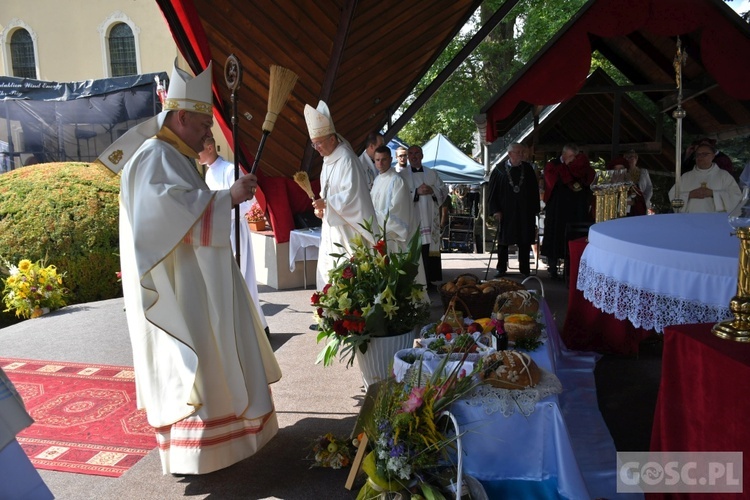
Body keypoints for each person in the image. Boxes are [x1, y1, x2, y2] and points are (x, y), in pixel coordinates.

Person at [96, 61, 281, 475]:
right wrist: (226, 198)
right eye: (202, 125)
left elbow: (181, 210)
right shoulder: (155, 156)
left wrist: (224, 197)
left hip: (193, 278)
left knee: (210, 358)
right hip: (179, 287)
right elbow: (163, 218)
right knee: (194, 362)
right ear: (181, 117)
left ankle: (221, 444)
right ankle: (199, 451)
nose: (207, 134)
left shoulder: (172, 154)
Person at [199, 137, 269, 337]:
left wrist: (221, 209)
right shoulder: (210, 172)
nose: (197, 154)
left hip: (233, 229)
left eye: (200, 150)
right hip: (219, 230)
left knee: (240, 278)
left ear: (210, 146)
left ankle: (253, 327)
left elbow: (248, 201)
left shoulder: (231, 170)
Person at [306, 100, 377, 291]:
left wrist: (327, 204)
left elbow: (352, 196)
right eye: (314, 145)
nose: (317, 148)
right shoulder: (327, 161)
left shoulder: (347, 159)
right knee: (331, 270)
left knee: (349, 275)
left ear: (331, 139)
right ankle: (332, 315)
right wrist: (321, 209)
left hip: (349, 230)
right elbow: (325, 193)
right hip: (332, 228)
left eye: (319, 143)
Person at [370, 145, 428, 286]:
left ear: (390, 159)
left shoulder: (397, 181)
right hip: (380, 234)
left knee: (397, 279)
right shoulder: (378, 180)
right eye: (377, 160)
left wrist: (373, 220)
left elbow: (398, 212)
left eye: (384, 159)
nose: (380, 163)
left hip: (394, 237)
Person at [540, 143, 595, 280]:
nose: (573, 159)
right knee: (554, 235)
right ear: (564, 155)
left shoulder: (580, 167)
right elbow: (551, 181)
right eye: (571, 156)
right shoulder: (552, 165)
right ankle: (552, 269)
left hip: (575, 208)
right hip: (557, 208)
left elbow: (587, 181)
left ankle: (569, 270)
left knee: (573, 236)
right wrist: (566, 172)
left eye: (575, 157)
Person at [488, 142, 540, 278]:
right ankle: (501, 268)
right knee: (504, 240)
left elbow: (534, 191)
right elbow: (492, 192)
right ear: (510, 154)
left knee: (525, 239)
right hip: (506, 211)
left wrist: (535, 209)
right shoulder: (499, 170)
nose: (522, 155)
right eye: (518, 152)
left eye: (522, 152)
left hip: (525, 211)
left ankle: (525, 268)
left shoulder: (528, 169)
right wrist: (495, 210)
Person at [403, 145, 448, 287]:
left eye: (417, 153)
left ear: (422, 156)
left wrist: (432, 190)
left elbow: (444, 189)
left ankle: (429, 280)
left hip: (430, 217)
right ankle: (416, 281)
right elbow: (400, 195)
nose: (414, 156)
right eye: (411, 153)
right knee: (417, 249)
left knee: (428, 250)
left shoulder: (432, 173)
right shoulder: (401, 175)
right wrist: (416, 192)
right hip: (414, 218)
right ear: (408, 157)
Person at [669, 142, 742, 213]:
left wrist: (713, 194)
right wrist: (689, 195)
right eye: (698, 154)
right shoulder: (686, 177)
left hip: (716, 220)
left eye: (704, 154)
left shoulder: (724, 176)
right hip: (690, 220)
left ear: (713, 156)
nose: (700, 157)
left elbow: (736, 197)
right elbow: (673, 199)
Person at [611, 150, 653, 216]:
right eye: (626, 157)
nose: (628, 159)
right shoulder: (622, 173)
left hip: (640, 206)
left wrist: (641, 202)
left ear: (636, 158)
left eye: (631, 157)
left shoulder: (643, 172)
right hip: (624, 207)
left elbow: (649, 189)